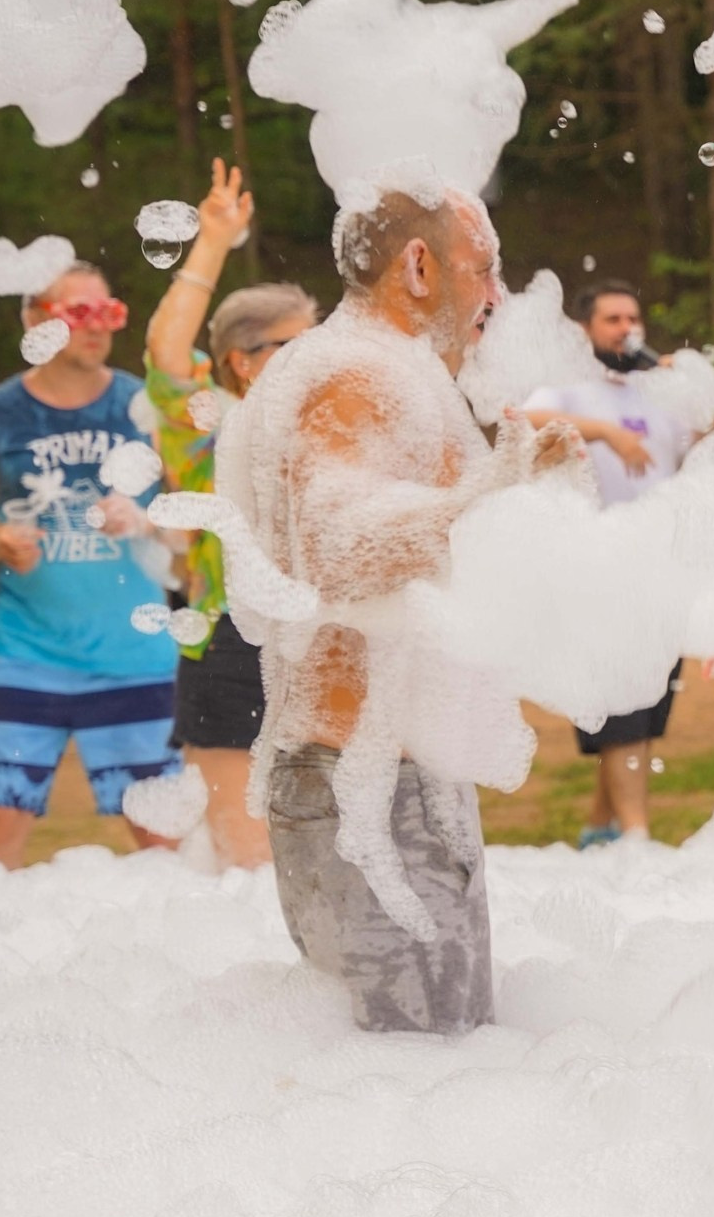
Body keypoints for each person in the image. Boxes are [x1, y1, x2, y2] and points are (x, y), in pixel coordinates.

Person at [219, 176, 538, 1035]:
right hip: (366, 787)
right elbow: (339, 546)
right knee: (418, 1084)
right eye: (483, 267)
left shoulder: (385, 373)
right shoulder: (358, 373)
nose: (495, 295)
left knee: (416, 1081)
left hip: (383, 777)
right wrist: (501, 495)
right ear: (422, 265)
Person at [0, 260, 180, 870]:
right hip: (27, 653)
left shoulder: (144, 403)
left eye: (109, 312)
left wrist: (146, 518)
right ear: (34, 321)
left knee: (161, 841)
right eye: (77, 313)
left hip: (133, 654)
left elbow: (195, 523)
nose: (97, 326)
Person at [142, 157, 320, 871]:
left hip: (315, 641)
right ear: (244, 362)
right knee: (244, 857)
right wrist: (213, 241)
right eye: (297, 346)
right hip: (229, 641)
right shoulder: (210, 422)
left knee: (316, 845)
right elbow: (165, 353)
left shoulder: (327, 431)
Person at [518, 278, 714, 847]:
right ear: (585, 331)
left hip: (659, 570)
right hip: (595, 569)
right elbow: (524, 422)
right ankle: (636, 837)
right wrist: (604, 433)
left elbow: (707, 454)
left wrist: (692, 391)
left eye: (634, 318)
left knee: (647, 707)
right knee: (622, 704)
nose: (628, 329)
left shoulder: (657, 395)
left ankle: (600, 830)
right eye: (613, 320)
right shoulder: (569, 390)